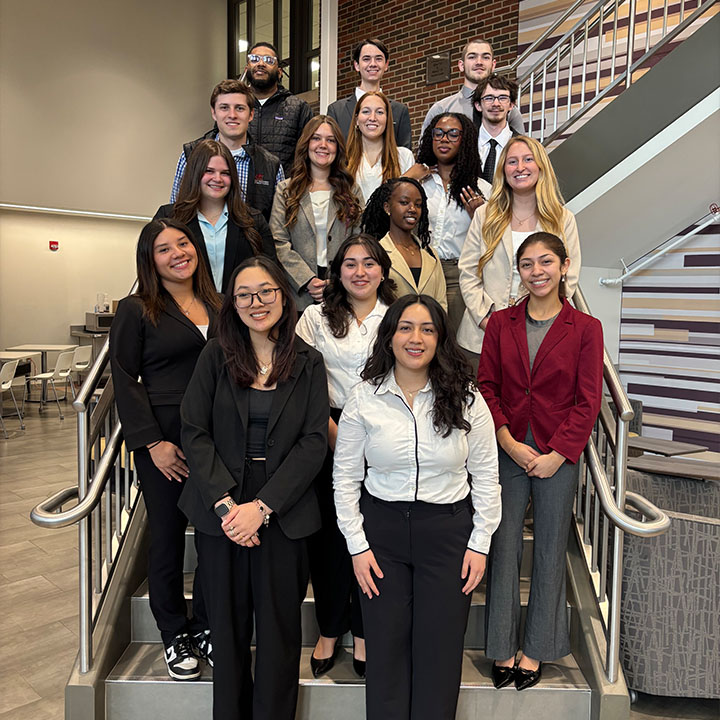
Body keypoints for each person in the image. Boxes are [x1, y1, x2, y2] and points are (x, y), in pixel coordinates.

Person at [333, 294, 501, 719]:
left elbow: (485, 476)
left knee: (440, 652)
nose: (416, 337)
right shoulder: (364, 398)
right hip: (382, 534)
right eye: (406, 327)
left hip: (447, 534)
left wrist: (480, 543)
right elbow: (345, 478)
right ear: (389, 336)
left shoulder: (467, 398)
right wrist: (357, 545)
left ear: (440, 339)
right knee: (385, 652)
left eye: (428, 329)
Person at [178, 256, 328, 720]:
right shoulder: (215, 354)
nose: (256, 303)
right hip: (220, 505)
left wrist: (261, 507)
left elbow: (313, 441)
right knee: (227, 630)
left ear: (284, 295)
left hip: (283, 509)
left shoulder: (307, 360)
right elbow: (193, 430)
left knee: (281, 634)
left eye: (265, 292)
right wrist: (227, 507)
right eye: (244, 294)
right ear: (232, 303)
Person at [477, 232, 603, 691]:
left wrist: (558, 455)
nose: (537, 272)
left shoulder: (586, 329)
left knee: (550, 550)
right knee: (503, 545)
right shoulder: (500, 323)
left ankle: (535, 650)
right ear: (519, 271)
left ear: (564, 264)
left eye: (545, 262)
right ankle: (502, 646)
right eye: (527, 264)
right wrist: (507, 440)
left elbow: (588, 401)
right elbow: (485, 387)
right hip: (508, 448)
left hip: (557, 454)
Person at [110, 219, 222, 680]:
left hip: (216, 434)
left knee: (217, 536)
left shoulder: (217, 303)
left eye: (183, 243)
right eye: (163, 249)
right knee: (168, 537)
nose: (178, 253)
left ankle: (209, 625)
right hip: (164, 437)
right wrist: (152, 442)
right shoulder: (136, 308)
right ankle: (175, 632)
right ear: (149, 260)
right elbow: (122, 376)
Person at [295, 234, 397, 680]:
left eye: (369, 263)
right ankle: (329, 630)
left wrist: (365, 439)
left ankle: (364, 630)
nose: (360, 271)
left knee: (372, 537)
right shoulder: (315, 317)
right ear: (336, 272)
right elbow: (298, 377)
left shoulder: (398, 316)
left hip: (384, 430)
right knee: (331, 541)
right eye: (350, 264)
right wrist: (334, 433)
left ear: (382, 270)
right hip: (326, 428)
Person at [457, 135, 581, 369]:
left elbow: (569, 277)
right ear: (503, 169)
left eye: (528, 159)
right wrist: (486, 319)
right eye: (512, 161)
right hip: (482, 336)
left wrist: (539, 320)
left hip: (539, 335)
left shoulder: (563, 220)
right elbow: (468, 272)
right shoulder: (485, 215)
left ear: (541, 166)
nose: (520, 167)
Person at [155, 139, 277, 294]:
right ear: (196, 173)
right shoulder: (169, 218)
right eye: (209, 171)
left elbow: (271, 275)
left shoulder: (253, 221)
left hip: (238, 313)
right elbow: (152, 270)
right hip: (185, 313)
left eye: (225, 173)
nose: (218, 179)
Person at [269, 115, 363, 311]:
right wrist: (307, 279)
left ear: (338, 148)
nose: (323, 145)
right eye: (316, 138)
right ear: (306, 144)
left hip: (341, 291)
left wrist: (337, 280)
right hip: (298, 295)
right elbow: (279, 242)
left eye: (330, 140)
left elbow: (359, 241)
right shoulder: (286, 191)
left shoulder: (352, 191)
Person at [416, 112, 491, 332]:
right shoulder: (420, 183)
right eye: (438, 133)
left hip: (459, 276)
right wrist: (407, 179)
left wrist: (480, 218)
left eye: (453, 134)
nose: (444, 139)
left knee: (456, 344)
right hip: (421, 269)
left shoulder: (482, 189)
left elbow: (496, 241)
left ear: (464, 140)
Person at [170, 79, 284, 220]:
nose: (232, 115)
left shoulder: (270, 165)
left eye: (240, 108)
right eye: (224, 107)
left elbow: (277, 224)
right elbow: (176, 208)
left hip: (251, 241)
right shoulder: (190, 155)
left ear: (251, 114)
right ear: (214, 113)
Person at [362, 177, 447, 310]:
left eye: (418, 205)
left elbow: (441, 305)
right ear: (387, 207)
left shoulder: (431, 254)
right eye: (404, 202)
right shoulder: (376, 253)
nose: (412, 209)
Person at [421, 38, 524, 138]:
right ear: (461, 65)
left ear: (493, 65)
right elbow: (425, 151)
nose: (479, 62)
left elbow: (521, 149)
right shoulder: (441, 109)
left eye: (485, 57)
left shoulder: (508, 110)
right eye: (472, 57)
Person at [327, 38, 412, 149]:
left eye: (378, 59)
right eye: (366, 59)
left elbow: (404, 156)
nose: (373, 64)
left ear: (386, 65)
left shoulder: (399, 111)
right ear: (356, 65)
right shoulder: (336, 111)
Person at [243, 41, 314, 174]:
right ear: (247, 68)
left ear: (280, 72)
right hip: (240, 191)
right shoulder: (235, 107)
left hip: (285, 191)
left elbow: (309, 156)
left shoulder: (298, 108)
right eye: (254, 59)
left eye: (269, 60)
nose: (261, 64)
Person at [345, 91, 416, 204]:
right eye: (366, 111)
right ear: (357, 120)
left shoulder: (404, 156)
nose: (372, 118)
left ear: (387, 119)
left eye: (379, 112)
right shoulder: (344, 160)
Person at [471, 74, 519, 184]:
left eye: (503, 98)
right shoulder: (463, 145)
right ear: (478, 105)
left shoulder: (526, 147)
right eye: (489, 98)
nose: (496, 104)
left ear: (511, 105)